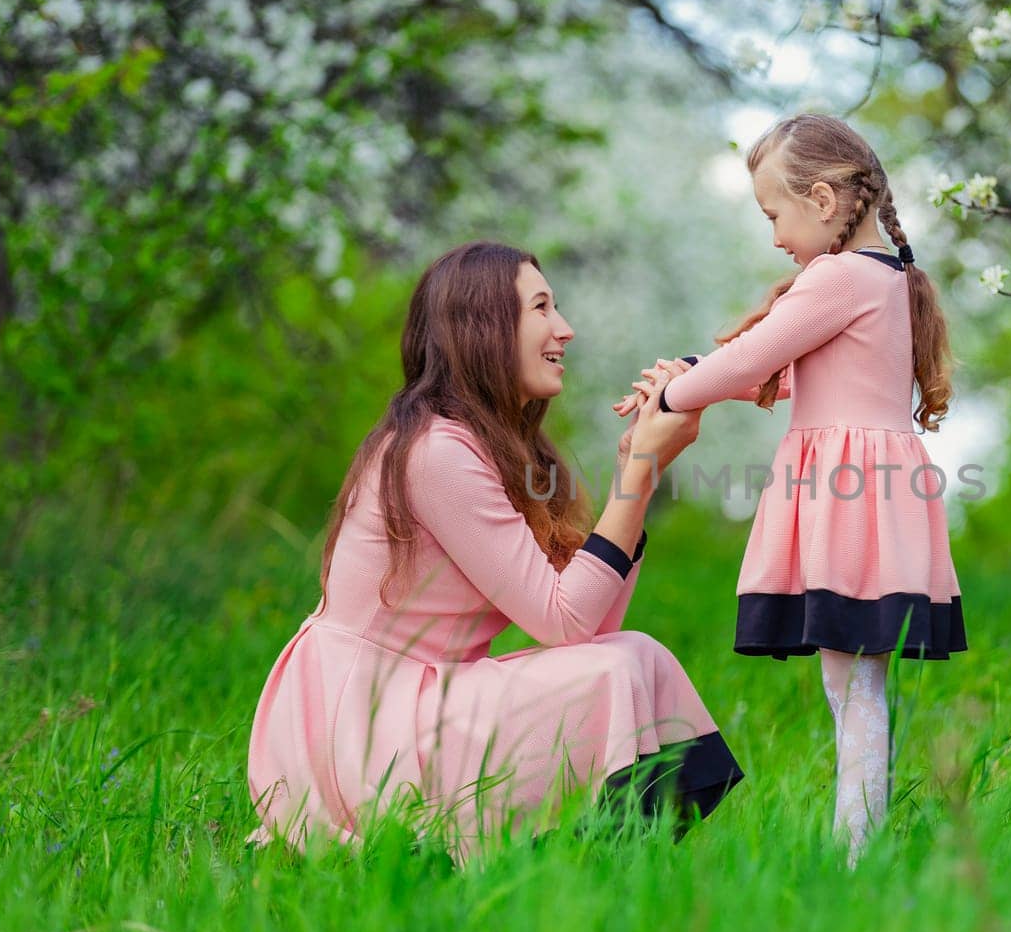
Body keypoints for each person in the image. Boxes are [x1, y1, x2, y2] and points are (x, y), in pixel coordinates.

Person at [248, 241, 743, 863]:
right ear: (484, 327)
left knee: (635, 657)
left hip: (424, 697)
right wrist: (639, 472)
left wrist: (632, 470)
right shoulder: (437, 452)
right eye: (542, 307)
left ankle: (597, 870)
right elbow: (567, 624)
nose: (565, 329)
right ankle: (575, 867)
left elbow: (590, 623)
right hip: (363, 725)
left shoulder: (497, 449)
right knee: (621, 667)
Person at [616, 114, 966, 865]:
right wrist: (688, 375)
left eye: (774, 214)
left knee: (854, 684)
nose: (773, 234)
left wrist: (672, 398)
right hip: (872, 490)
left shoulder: (838, 277)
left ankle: (856, 856)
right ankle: (858, 846)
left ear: (822, 198)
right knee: (852, 680)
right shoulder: (886, 277)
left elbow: (748, 362)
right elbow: (765, 372)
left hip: (849, 495)